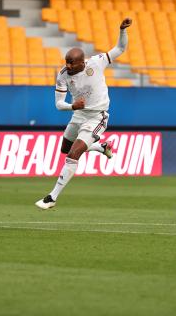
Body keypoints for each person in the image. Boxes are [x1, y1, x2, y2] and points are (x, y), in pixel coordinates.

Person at [35, 18, 132, 210]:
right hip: (78, 114)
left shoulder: (96, 63)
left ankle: (52, 197)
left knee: (72, 155)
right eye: (67, 63)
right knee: (65, 148)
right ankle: (100, 147)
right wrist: (73, 107)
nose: (68, 67)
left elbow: (120, 49)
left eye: (72, 64)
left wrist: (122, 30)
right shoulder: (62, 75)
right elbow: (59, 104)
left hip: (97, 116)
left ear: (82, 62)